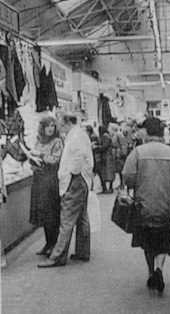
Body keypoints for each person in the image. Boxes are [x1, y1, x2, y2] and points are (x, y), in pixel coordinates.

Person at [123, 117, 170, 293]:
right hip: (167, 205)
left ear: (147, 132)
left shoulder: (137, 152)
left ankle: (151, 272)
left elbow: (128, 177)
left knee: (148, 241)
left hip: (144, 205)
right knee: (164, 239)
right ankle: (159, 268)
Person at [38, 113, 94, 268]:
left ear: (68, 123)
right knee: (82, 217)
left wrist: (70, 177)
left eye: (60, 125)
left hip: (75, 180)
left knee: (67, 219)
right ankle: (83, 251)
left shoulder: (75, 136)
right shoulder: (79, 134)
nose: (59, 129)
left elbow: (77, 159)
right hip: (81, 180)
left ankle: (57, 256)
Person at [25, 116, 63, 257]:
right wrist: (32, 160)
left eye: (52, 126)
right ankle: (48, 243)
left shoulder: (57, 141)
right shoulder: (38, 140)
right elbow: (34, 158)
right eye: (48, 126)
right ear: (43, 127)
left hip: (51, 181)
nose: (50, 129)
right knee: (43, 214)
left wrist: (40, 155)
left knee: (52, 213)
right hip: (39, 180)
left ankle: (54, 243)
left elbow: (55, 160)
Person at [98, 125, 115, 193]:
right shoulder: (107, 135)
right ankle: (109, 188)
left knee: (108, 173)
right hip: (108, 156)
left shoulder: (105, 136)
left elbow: (104, 146)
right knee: (109, 173)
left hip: (107, 156)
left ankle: (108, 188)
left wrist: (97, 147)